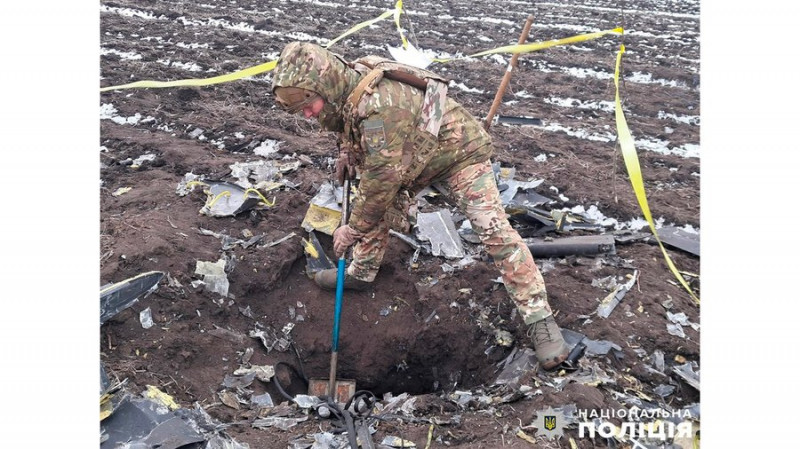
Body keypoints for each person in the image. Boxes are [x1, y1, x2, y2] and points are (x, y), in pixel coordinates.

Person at [272, 42, 568, 370]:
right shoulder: (350, 86)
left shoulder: (379, 107)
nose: (309, 114)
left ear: (323, 87)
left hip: (458, 153)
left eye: (309, 104)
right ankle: (362, 271)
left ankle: (540, 321)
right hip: (412, 154)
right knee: (370, 196)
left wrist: (351, 230)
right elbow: (351, 128)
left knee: (492, 229)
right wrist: (347, 152)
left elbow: (381, 183)